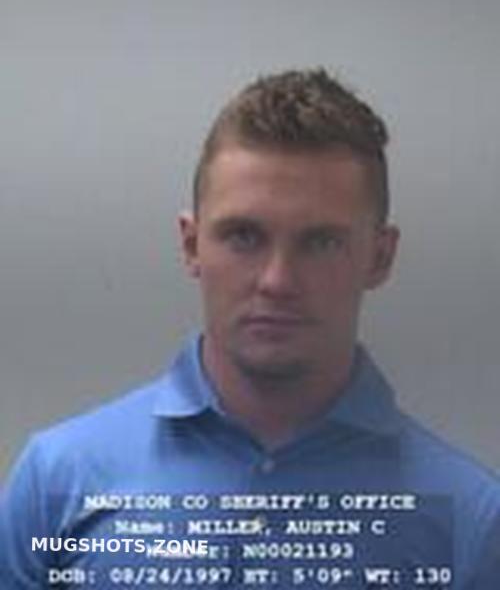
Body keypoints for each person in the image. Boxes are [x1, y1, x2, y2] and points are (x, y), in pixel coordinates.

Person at [1, 68, 499, 589]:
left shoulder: (471, 524)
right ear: (191, 245)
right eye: (243, 236)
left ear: (380, 257)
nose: (277, 281)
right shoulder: (57, 483)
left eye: (321, 243)